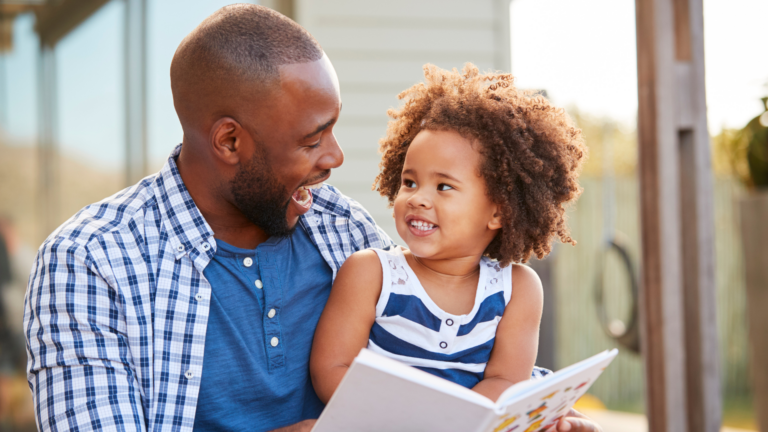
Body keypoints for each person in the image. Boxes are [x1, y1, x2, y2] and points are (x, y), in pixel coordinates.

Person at [24, 5, 603, 432]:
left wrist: (539, 410)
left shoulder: (339, 229)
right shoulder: (91, 262)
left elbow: (442, 351)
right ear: (230, 140)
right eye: (311, 139)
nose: (335, 158)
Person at [310, 64, 589, 430]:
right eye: (409, 182)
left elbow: (506, 380)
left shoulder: (516, 289)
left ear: (499, 211)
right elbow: (331, 368)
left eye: (443, 187)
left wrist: (452, 422)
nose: (418, 198)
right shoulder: (371, 273)